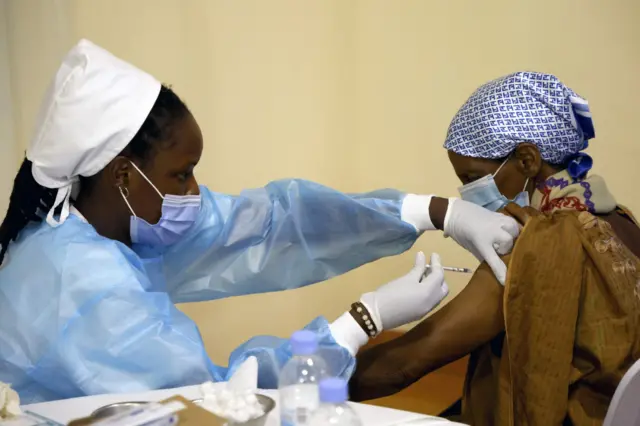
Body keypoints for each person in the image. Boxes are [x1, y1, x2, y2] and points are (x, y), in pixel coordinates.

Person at [0, 40, 519, 404]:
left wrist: (435, 211)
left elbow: (274, 224)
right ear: (121, 175)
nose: (195, 193)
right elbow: (219, 405)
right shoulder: (79, 282)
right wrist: (364, 320)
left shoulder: (107, 225)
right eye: (181, 175)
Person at [348, 72, 640, 425]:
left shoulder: (534, 244)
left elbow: (404, 365)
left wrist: (303, 375)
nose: (467, 195)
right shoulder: (622, 222)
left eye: (472, 179)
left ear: (527, 160)